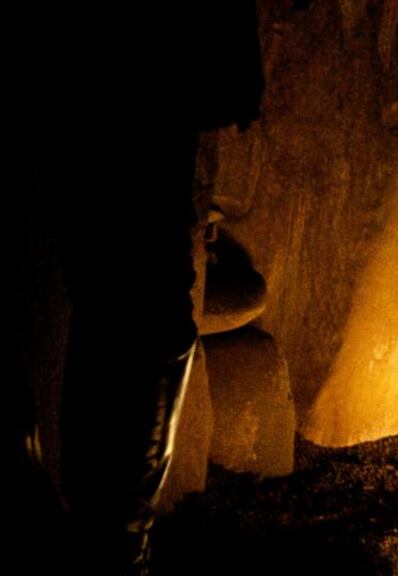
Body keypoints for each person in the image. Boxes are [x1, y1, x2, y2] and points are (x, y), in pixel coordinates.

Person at [12, 3, 263, 574]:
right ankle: (114, 548)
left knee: (132, 294)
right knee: (139, 297)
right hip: (134, 62)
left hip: (128, 67)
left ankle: (110, 543)